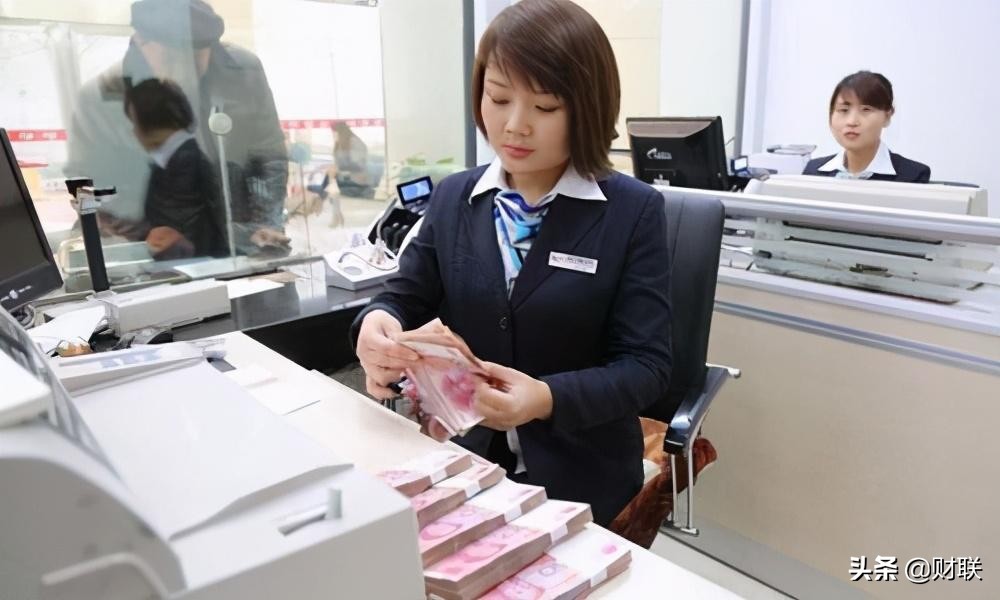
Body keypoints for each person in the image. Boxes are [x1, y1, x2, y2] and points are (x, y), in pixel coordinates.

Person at [352, 0, 672, 526]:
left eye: (545, 108)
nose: (515, 126)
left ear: (586, 109)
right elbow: (403, 296)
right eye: (498, 98)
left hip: (581, 480)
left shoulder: (633, 212)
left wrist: (546, 398)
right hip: (463, 462)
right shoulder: (456, 197)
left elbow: (647, 367)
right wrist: (377, 324)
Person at [64, 0, 289, 254]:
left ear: (211, 46)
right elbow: (88, 185)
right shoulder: (102, 96)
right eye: (171, 58)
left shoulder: (243, 71)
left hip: (239, 241)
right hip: (151, 253)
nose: (184, 72)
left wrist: (264, 225)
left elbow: (269, 155)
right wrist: (146, 237)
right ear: (141, 42)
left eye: (195, 59)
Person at [124, 78, 225, 260]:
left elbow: (179, 232)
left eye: (134, 123)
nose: (134, 132)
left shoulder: (185, 163)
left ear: (150, 122)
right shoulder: (171, 160)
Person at [803, 70, 931, 182]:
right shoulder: (813, 171)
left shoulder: (912, 176)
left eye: (866, 110)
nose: (852, 121)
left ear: (887, 116)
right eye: (844, 110)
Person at [333, 121, 375, 199]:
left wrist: (337, 168)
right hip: (346, 183)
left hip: (358, 183)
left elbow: (357, 165)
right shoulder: (340, 144)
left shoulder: (355, 142)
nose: (333, 136)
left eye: (335, 133)